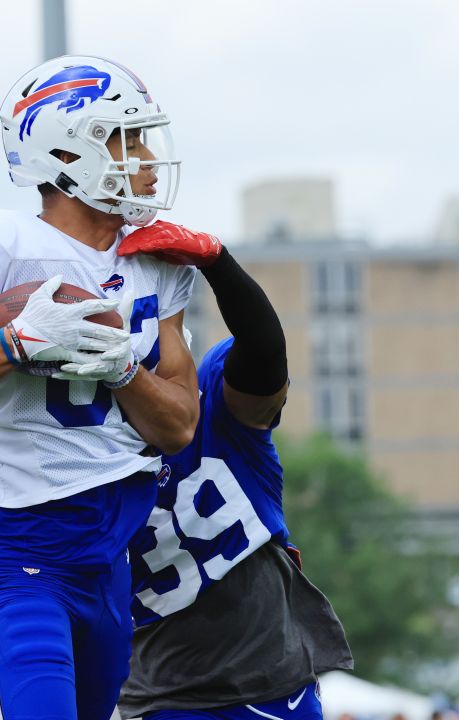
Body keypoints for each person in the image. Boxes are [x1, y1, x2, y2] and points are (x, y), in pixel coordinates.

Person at [0, 55, 200, 720]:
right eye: (129, 138)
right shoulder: (1, 247)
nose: (147, 157)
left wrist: (124, 370)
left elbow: (177, 426)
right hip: (20, 561)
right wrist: (15, 343)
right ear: (67, 152)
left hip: (110, 565)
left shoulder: (157, 262)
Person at [115, 222, 354, 719]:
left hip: (267, 683)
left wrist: (217, 264)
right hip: (163, 694)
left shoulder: (219, 415)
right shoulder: (75, 455)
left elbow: (264, 352)